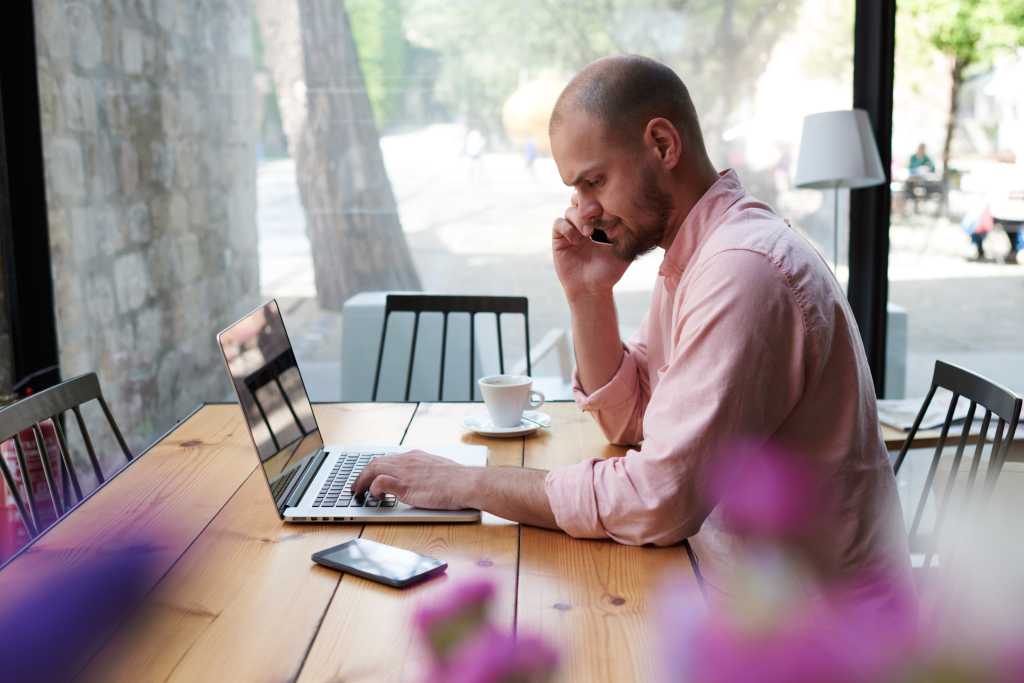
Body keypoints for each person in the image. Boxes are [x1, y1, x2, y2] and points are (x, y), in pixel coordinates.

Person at [353, 56, 911, 602]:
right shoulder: (700, 256)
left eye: (594, 181)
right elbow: (634, 417)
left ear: (663, 145)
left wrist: (466, 483)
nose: (584, 212)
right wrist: (589, 295)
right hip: (742, 598)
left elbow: (657, 498)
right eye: (575, 190)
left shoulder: (741, 270)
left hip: (819, 640)